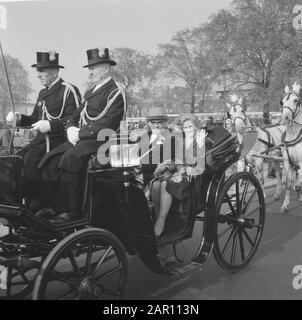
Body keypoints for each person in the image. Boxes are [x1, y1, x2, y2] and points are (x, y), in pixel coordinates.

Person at [37, 47, 126, 221]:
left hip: (102, 139)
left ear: (107, 68)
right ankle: (52, 205)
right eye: (89, 68)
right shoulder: (91, 92)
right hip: (84, 137)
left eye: (93, 68)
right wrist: (70, 127)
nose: (90, 71)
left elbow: (108, 123)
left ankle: (72, 210)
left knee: (71, 158)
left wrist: (82, 133)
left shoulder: (116, 92)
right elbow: (75, 115)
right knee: (50, 159)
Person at [6, 51, 81, 209]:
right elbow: (35, 118)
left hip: (60, 139)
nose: (38, 75)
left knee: (31, 158)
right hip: (41, 140)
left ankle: (36, 202)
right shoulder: (42, 93)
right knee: (16, 158)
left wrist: (51, 125)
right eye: (37, 71)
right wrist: (19, 118)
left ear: (54, 72)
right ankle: (17, 199)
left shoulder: (68, 90)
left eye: (42, 71)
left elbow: (75, 118)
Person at [152, 113, 206, 236]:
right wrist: (167, 165)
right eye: (185, 127)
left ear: (196, 127)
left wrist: (201, 145)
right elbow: (177, 162)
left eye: (190, 127)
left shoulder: (202, 141)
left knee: (166, 183)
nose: (187, 130)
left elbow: (202, 167)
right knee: (155, 184)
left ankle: (161, 222)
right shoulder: (180, 142)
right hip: (179, 174)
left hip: (192, 178)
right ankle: (159, 217)